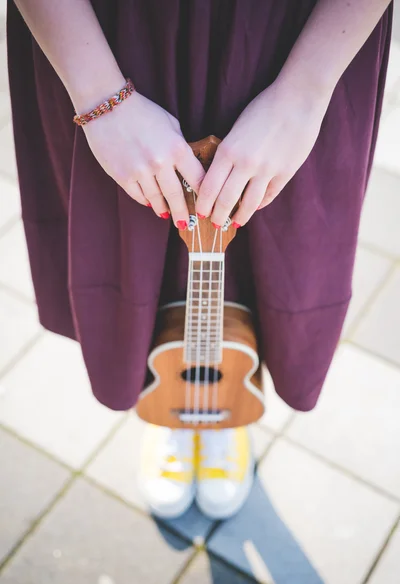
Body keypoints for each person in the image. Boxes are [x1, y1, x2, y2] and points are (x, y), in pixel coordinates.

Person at [8, 0, 393, 519]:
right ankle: (173, 414)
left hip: (294, 41)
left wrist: (303, 93)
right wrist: (102, 98)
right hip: (107, 37)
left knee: (281, 256)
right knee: (126, 254)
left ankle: (223, 415)